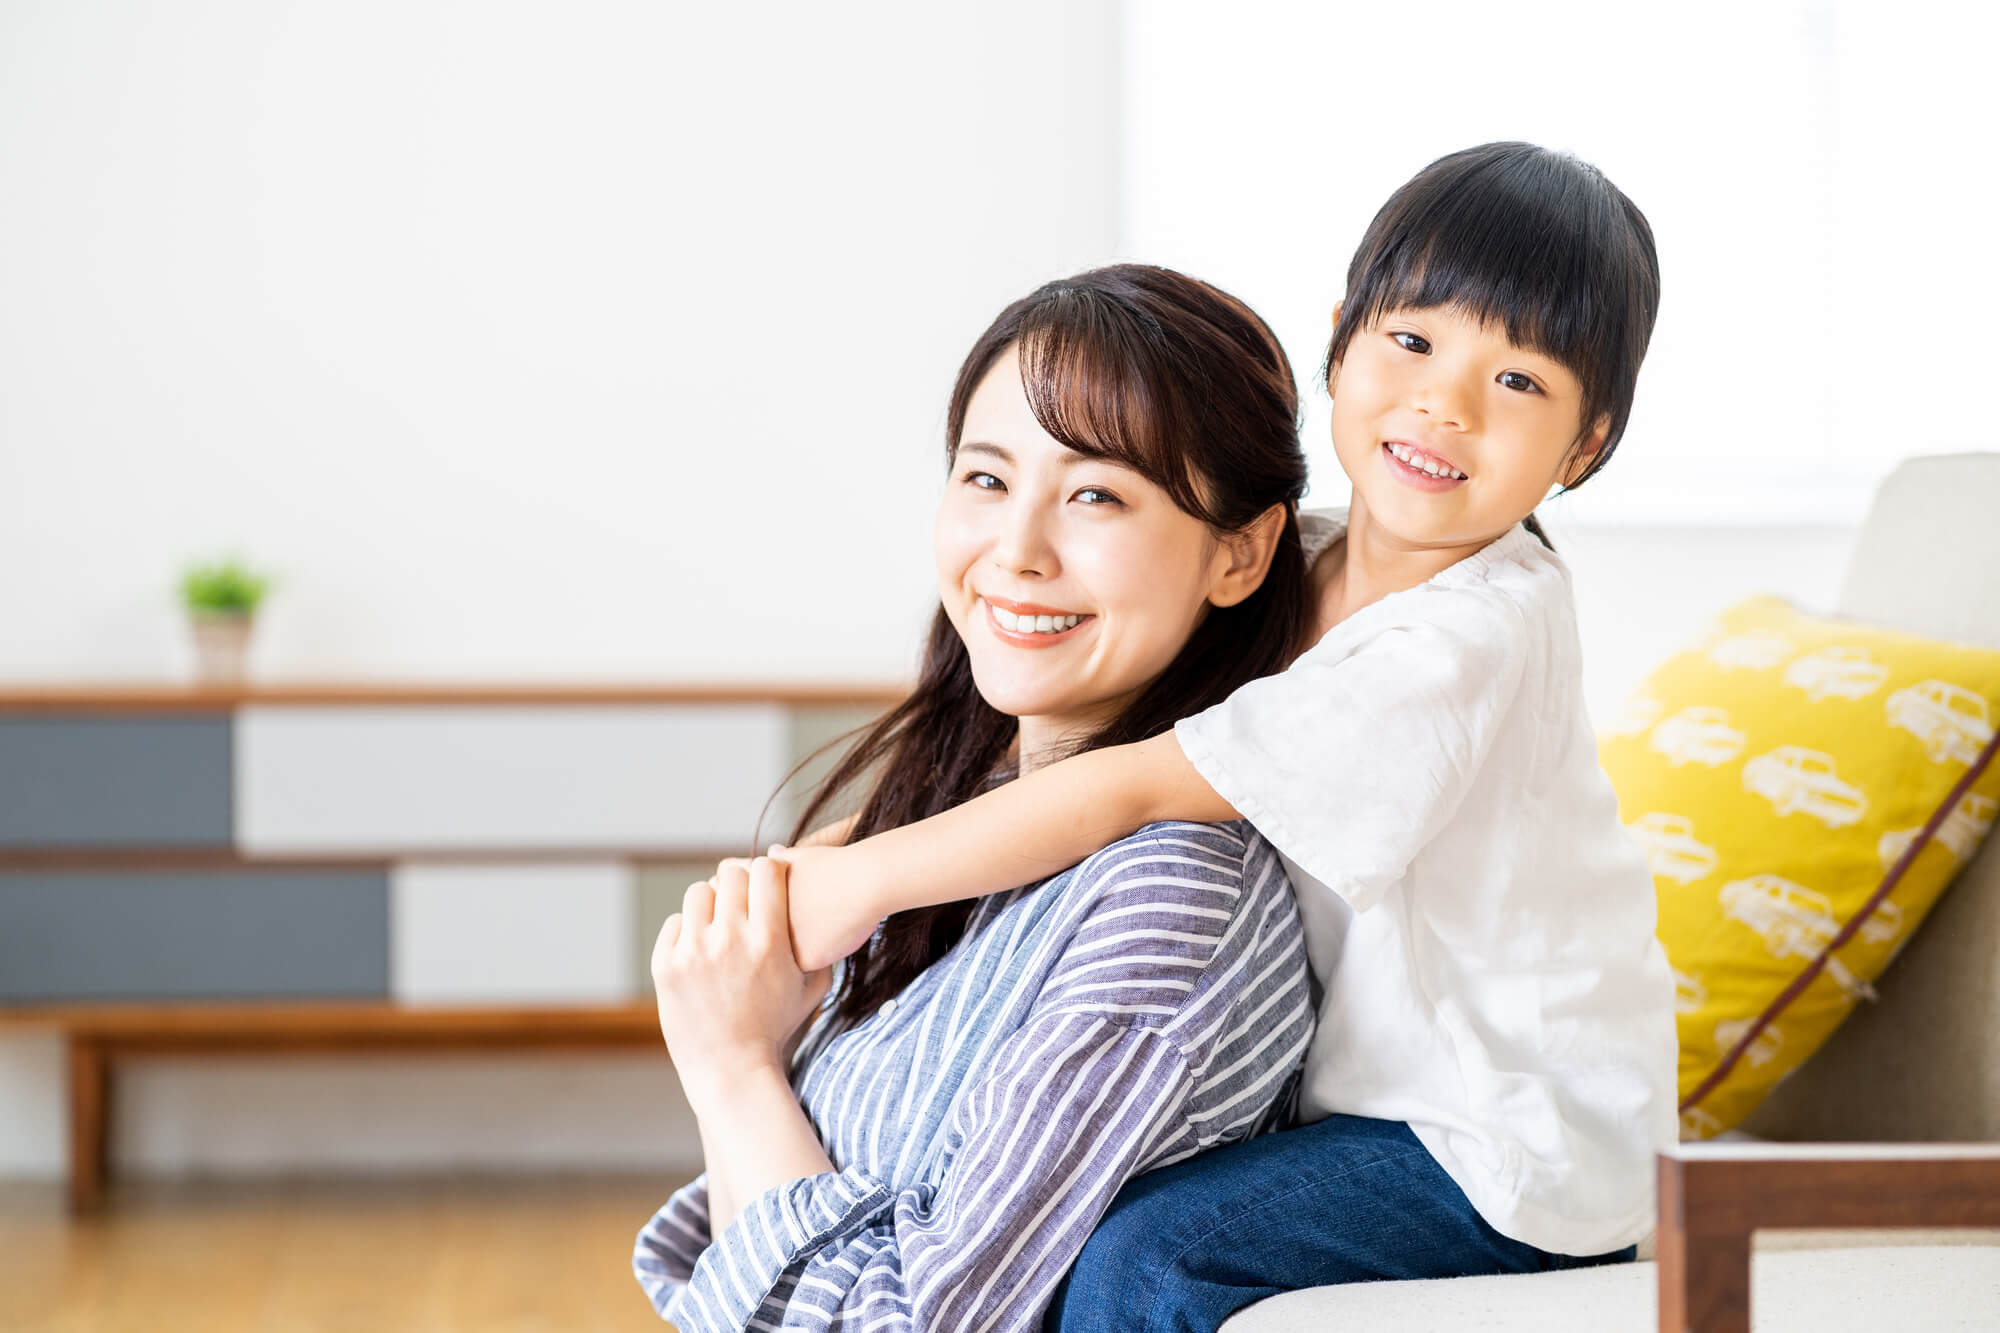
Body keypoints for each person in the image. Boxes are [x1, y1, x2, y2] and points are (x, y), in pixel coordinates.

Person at [777, 142, 1681, 1331]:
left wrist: (864, 878)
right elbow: (1067, 737)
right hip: (1373, 1097)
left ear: (1584, 447)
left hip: (1497, 1147)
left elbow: (1130, 785)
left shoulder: (1463, 639)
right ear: (1338, 343)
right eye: (1411, 342)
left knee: (1148, 1261)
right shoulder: (1300, 554)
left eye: (1516, 383)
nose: (1442, 404)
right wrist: (827, 852)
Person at [632, 264, 1319, 1331]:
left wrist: (732, 1067)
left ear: (1240, 551)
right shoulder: (948, 826)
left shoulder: (1172, 896)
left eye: (1095, 494)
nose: (1015, 552)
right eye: (986, 480)